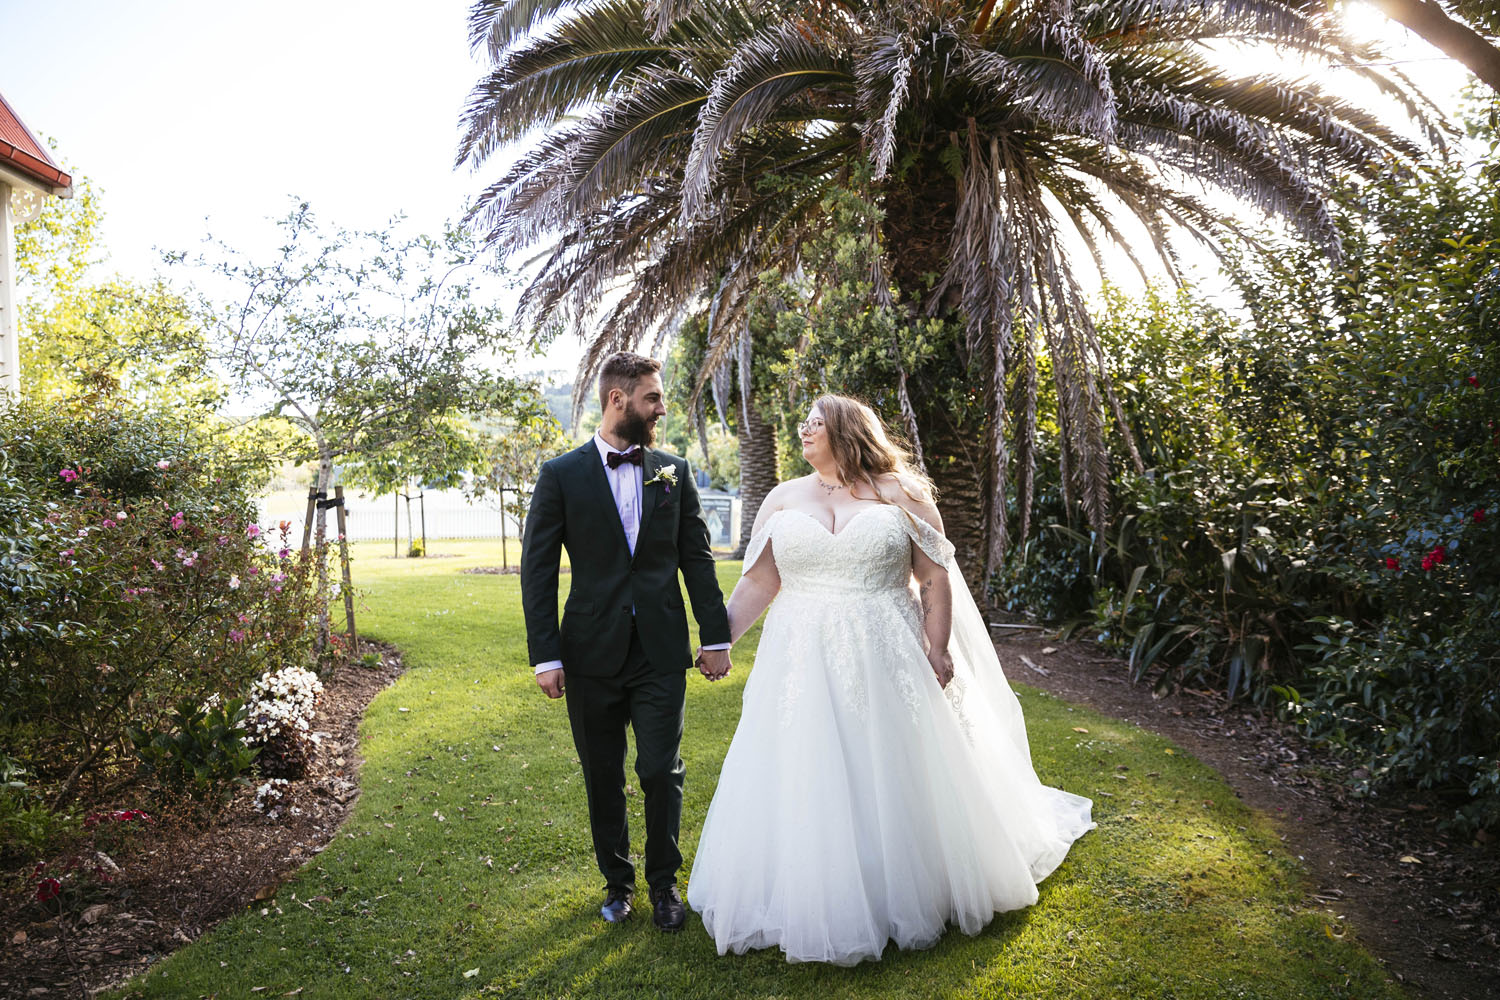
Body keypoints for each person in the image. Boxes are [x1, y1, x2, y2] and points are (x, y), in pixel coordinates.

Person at [686, 394, 1095, 965]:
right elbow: (760, 582)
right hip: (800, 654)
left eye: (815, 423)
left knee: (892, 761)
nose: (803, 430)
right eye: (804, 422)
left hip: (886, 647)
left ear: (848, 431)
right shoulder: (782, 497)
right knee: (806, 762)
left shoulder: (904, 495)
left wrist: (937, 646)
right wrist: (720, 641)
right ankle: (812, 885)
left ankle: (912, 884)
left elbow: (933, 578)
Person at [520, 352, 732, 931]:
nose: (661, 408)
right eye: (653, 398)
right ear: (619, 400)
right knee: (602, 773)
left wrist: (716, 637)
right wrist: (547, 655)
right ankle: (618, 883)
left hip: (661, 649)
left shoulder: (674, 471)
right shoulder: (560, 476)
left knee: (661, 769)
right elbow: (537, 571)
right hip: (589, 652)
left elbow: (696, 559)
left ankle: (665, 884)